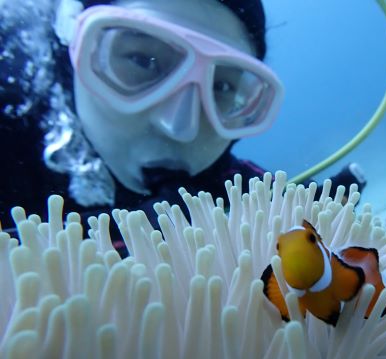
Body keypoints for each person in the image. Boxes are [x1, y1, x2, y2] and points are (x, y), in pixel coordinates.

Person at [0, 0, 366, 233]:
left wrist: (295, 216)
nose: (179, 127)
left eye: (221, 87)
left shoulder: (226, 183)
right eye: (142, 61)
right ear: (73, 43)